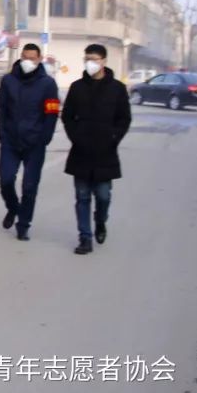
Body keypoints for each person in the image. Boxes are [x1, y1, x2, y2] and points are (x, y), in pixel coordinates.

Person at [61, 44, 131, 255]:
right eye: (87, 59)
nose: (89, 63)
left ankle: (100, 221)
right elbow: (67, 117)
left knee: (103, 196)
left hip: (105, 152)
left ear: (103, 61)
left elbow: (124, 118)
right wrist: (75, 136)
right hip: (81, 152)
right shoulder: (77, 87)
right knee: (82, 197)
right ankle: (85, 238)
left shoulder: (117, 88)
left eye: (94, 59)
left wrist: (113, 137)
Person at [0, 43, 60, 241]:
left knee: (30, 186)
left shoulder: (48, 84)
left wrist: (45, 137)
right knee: (6, 179)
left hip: (35, 142)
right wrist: (1, 133)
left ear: (39, 59)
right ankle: (13, 208)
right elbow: (1, 108)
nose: (28, 61)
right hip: (10, 140)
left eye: (32, 58)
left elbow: (52, 112)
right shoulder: (8, 80)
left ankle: (23, 224)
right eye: (25, 57)